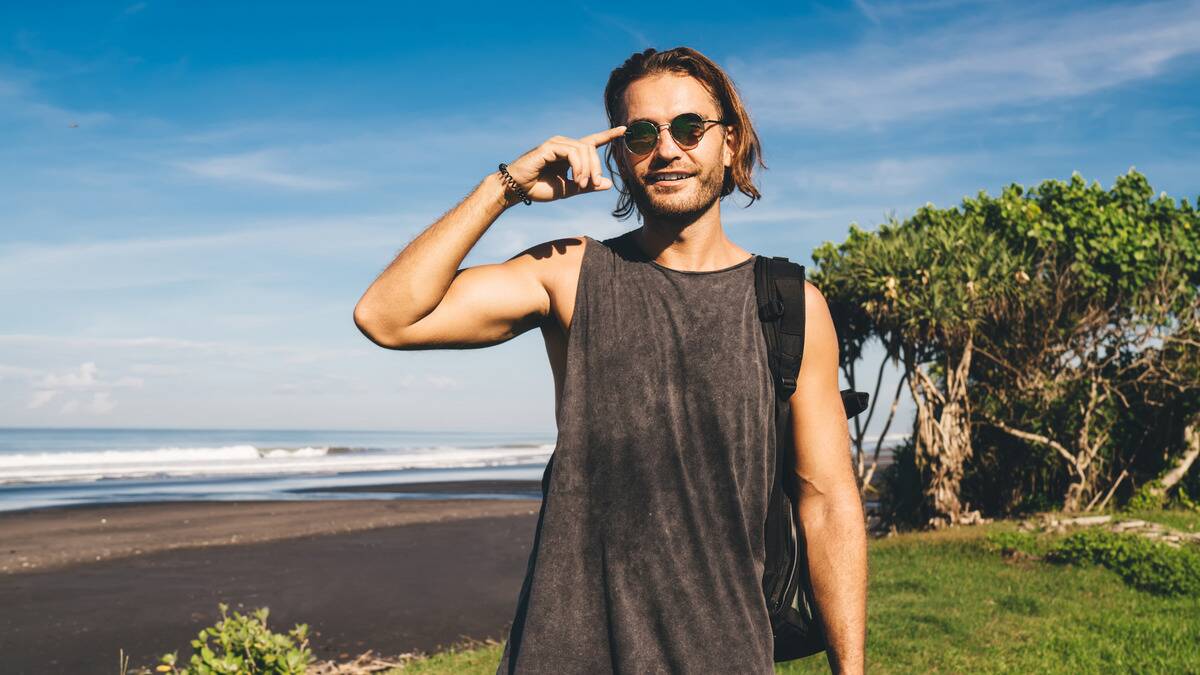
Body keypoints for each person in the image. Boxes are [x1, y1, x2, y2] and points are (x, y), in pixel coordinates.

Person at [353, 46, 867, 675]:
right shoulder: (570, 273)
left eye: (688, 128)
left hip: (725, 654)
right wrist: (504, 188)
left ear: (730, 145)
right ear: (620, 158)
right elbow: (387, 316)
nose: (667, 149)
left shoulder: (791, 304)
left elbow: (827, 501)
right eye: (643, 133)